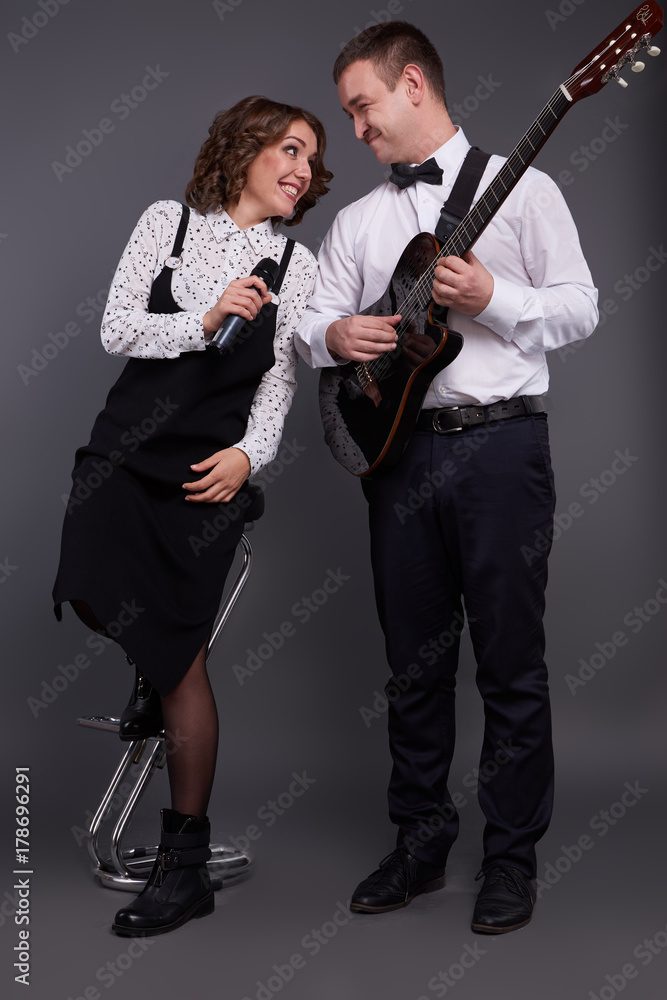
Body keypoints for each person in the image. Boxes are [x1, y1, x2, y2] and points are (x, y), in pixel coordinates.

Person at [295, 23, 597, 934]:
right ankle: (419, 843)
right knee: (412, 666)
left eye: (362, 108)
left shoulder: (526, 189)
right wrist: (332, 335)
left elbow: (581, 307)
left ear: (413, 85)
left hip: (501, 450)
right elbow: (309, 324)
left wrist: (492, 300)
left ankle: (510, 859)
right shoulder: (358, 221)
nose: (354, 130)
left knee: (509, 662)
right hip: (398, 455)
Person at [53, 95, 331, 936]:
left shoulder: (296, 264)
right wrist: (204, 319)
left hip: (203, 476)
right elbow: (115, 329)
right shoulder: (166, 225)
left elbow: (278, 383)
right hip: (122, 454)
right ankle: (149, 664)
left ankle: (184, 867)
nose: (303, 169)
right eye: (289, 149)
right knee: (86, 583)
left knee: (182, 666)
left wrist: (250, 456)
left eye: (312, 158)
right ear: (244, 149)